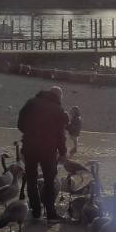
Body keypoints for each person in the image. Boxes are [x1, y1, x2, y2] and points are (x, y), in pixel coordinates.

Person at [17, 85, 69, 221]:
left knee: (32, 179)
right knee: (49, 181)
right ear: (58, 96)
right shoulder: (58, 109)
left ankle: (35, 211)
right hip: (48, 150)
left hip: (29, 147)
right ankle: (51, 213)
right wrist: (63, 152)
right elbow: (60, 135)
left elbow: (20, 124)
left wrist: (30, 134)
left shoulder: (31, 102)